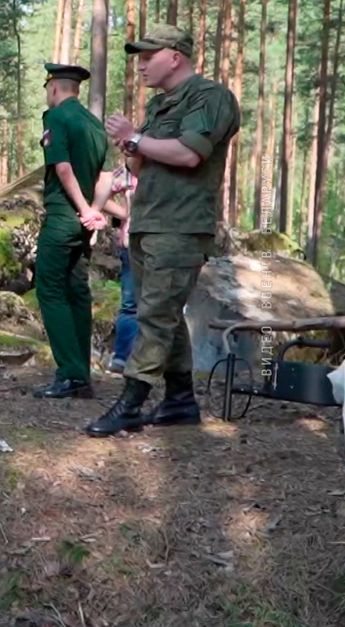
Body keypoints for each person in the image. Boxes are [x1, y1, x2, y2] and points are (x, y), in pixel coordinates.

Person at [87, 24, 239, 437]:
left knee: (154, 316)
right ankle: (179, 402)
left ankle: (131, 404)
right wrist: (132, 145)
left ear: (175, 56)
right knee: (165, 316)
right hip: (148, 222)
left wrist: (136, 137)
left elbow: (190, 154)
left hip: (182, 226)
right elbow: (140, 165)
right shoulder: (158, 107)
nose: (140, 66)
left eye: (148, 56)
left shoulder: (211, 97)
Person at [32, 63, 115, 400]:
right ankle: (81, 371)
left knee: (49, 289)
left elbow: (62, 168)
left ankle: (70, 374)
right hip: (83, 222)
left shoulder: (56, 118)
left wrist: (83, 210)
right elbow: (107, 174)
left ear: (54, 88)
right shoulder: (94, 124)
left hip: (63, 218)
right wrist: (95, 211)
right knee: (77, 291)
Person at [103, 164, 139, 374]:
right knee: (130, 305)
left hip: (165, 243)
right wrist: (124, 213)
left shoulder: (170, 163)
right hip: (132, 243)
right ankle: (122, 358)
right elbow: (100, 187)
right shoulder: (129, 168)